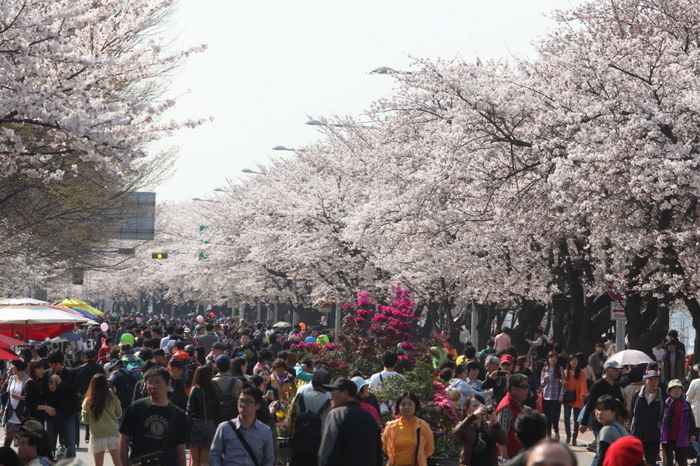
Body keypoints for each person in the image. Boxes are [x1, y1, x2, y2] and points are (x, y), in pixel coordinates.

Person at [118, 366, 187, 466]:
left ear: (168, 384)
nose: (153, 386)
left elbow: (180, 450)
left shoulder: (179, 414)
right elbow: (123, 441)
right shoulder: (136, 408)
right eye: (149, 382)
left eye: (158, 382)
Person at [318, 377, 382, 466]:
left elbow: (328, 451)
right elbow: (378, 452)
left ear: (345, 394)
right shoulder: (369, 417)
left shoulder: (336, 415)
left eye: (333, 393)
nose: (331, 397)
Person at [209, 385, 275, 466]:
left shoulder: (265, 431)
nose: (243, 405)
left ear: (257, 406)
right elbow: (214, 455)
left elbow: (269, 459)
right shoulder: (224, 428)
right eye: (241, 401)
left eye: (248, 401)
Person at [287, 369, 333, 466]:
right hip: (320, 449)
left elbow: (290, 421)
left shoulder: (299, 398)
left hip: (300, 447)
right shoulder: (330, 403)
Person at [43, 349, 80, 459]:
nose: (53, 366)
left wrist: (61, 382)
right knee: (49, 448)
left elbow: (74, 390)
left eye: (55, 363)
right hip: (51, 416)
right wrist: (50, 390)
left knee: (70, 448)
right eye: (51, 363)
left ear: (62, 362)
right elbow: (42, 394)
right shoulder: (47, 374)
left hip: (67, 415)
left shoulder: (71, 373)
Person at [382, 391, 434, 466]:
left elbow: (429, 448)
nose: (406, 407)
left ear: (415, 406)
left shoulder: (422, 425)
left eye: (410, 404)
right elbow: (385, 447)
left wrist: (420, 457)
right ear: (398, 406)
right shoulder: (391, 426)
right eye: (403, 404)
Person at [453, 394, 506, 466]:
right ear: (466, 409)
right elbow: (457, 433)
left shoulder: (488, 426)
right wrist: (473, 416)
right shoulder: (465, 426)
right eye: (475, 406)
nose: (479, 409)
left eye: (481, 406)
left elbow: (503, 441)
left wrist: (495, 423)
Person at [81, 374, 122, 466]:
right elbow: (118, 414)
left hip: (97, 433)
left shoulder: (88, 401)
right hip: (112, 432)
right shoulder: (113, 398)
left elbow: (85, 420)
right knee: (118, 463)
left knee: (98, 464)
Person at [629, 368, 664, 465]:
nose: (653, 382)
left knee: (651, 461)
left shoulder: (662, 396)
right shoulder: (637, 395)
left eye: (655, 379)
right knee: (636, 460)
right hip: (638, 432)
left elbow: (663, 415)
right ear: (645, 381)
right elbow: (632, 411)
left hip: (653, 435)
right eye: (650, 379)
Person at [187, 366, 219, 466]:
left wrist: (186, 427)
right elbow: (217, 410)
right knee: (205, 461)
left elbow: (189, 410)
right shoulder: (214, 390)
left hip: (195, 425)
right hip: (209, 424)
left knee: (195, 461)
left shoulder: (195, 389)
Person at [661, 379, 697, 466]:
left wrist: (692, 434)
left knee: (682, 462)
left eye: (679, 388)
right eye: (674, 388)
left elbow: (691, 420)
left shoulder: (685, 404)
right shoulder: (665, 403)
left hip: (681, 436)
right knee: (667, 462)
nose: (677, 390)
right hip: (667, 437)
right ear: (669, 391)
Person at [495, 373, 529, 461]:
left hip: (518, 451)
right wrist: (505, 457)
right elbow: (501, 434)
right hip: (509, 455)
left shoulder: (518, 403)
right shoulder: (507, 406)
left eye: (527, 386)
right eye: (523, 387)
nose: (526, 390)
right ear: (513, 389)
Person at [595, 394, 630, 466]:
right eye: (598, 409)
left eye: (605, 409)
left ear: (614, 411)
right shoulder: (620, 427)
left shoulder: (607, 430)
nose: (600, 412)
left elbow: (602, 458)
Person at [1, 359, 28, 447]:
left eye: (13, 365)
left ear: (18, 367)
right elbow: (7, 395)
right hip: (10, 415)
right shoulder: (12, 378)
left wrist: (19, 397)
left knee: (22, 444)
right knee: (6, 443)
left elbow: (30, 399)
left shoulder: (27, 380)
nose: (11, 367)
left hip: (21, 417)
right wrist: (3, 407)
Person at [539, 351, 565, 441]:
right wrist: (544, 380)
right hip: (546, 396)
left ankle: (557, 432)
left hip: (556, 396)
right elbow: (541, 384)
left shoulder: (560, 369)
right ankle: (549, 436)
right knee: (547, 418)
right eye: (551, 358)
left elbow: (564, 383)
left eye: (555, 358)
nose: (553, 360)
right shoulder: (544, 369)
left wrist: (562, 394)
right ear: (548, 359)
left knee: (554, 417)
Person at [563, 353, 587, 445]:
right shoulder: (565, 372)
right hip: (567, 398)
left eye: (576, 360)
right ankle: (568, 434)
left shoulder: (581, 373)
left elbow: (583, 384)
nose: (574, 362)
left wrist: (582, 395)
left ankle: (574, 436)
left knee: (576, 419)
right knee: (566, 417)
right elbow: (561, 383)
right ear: (569, 361)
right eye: (572, 360)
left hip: (577, 397)